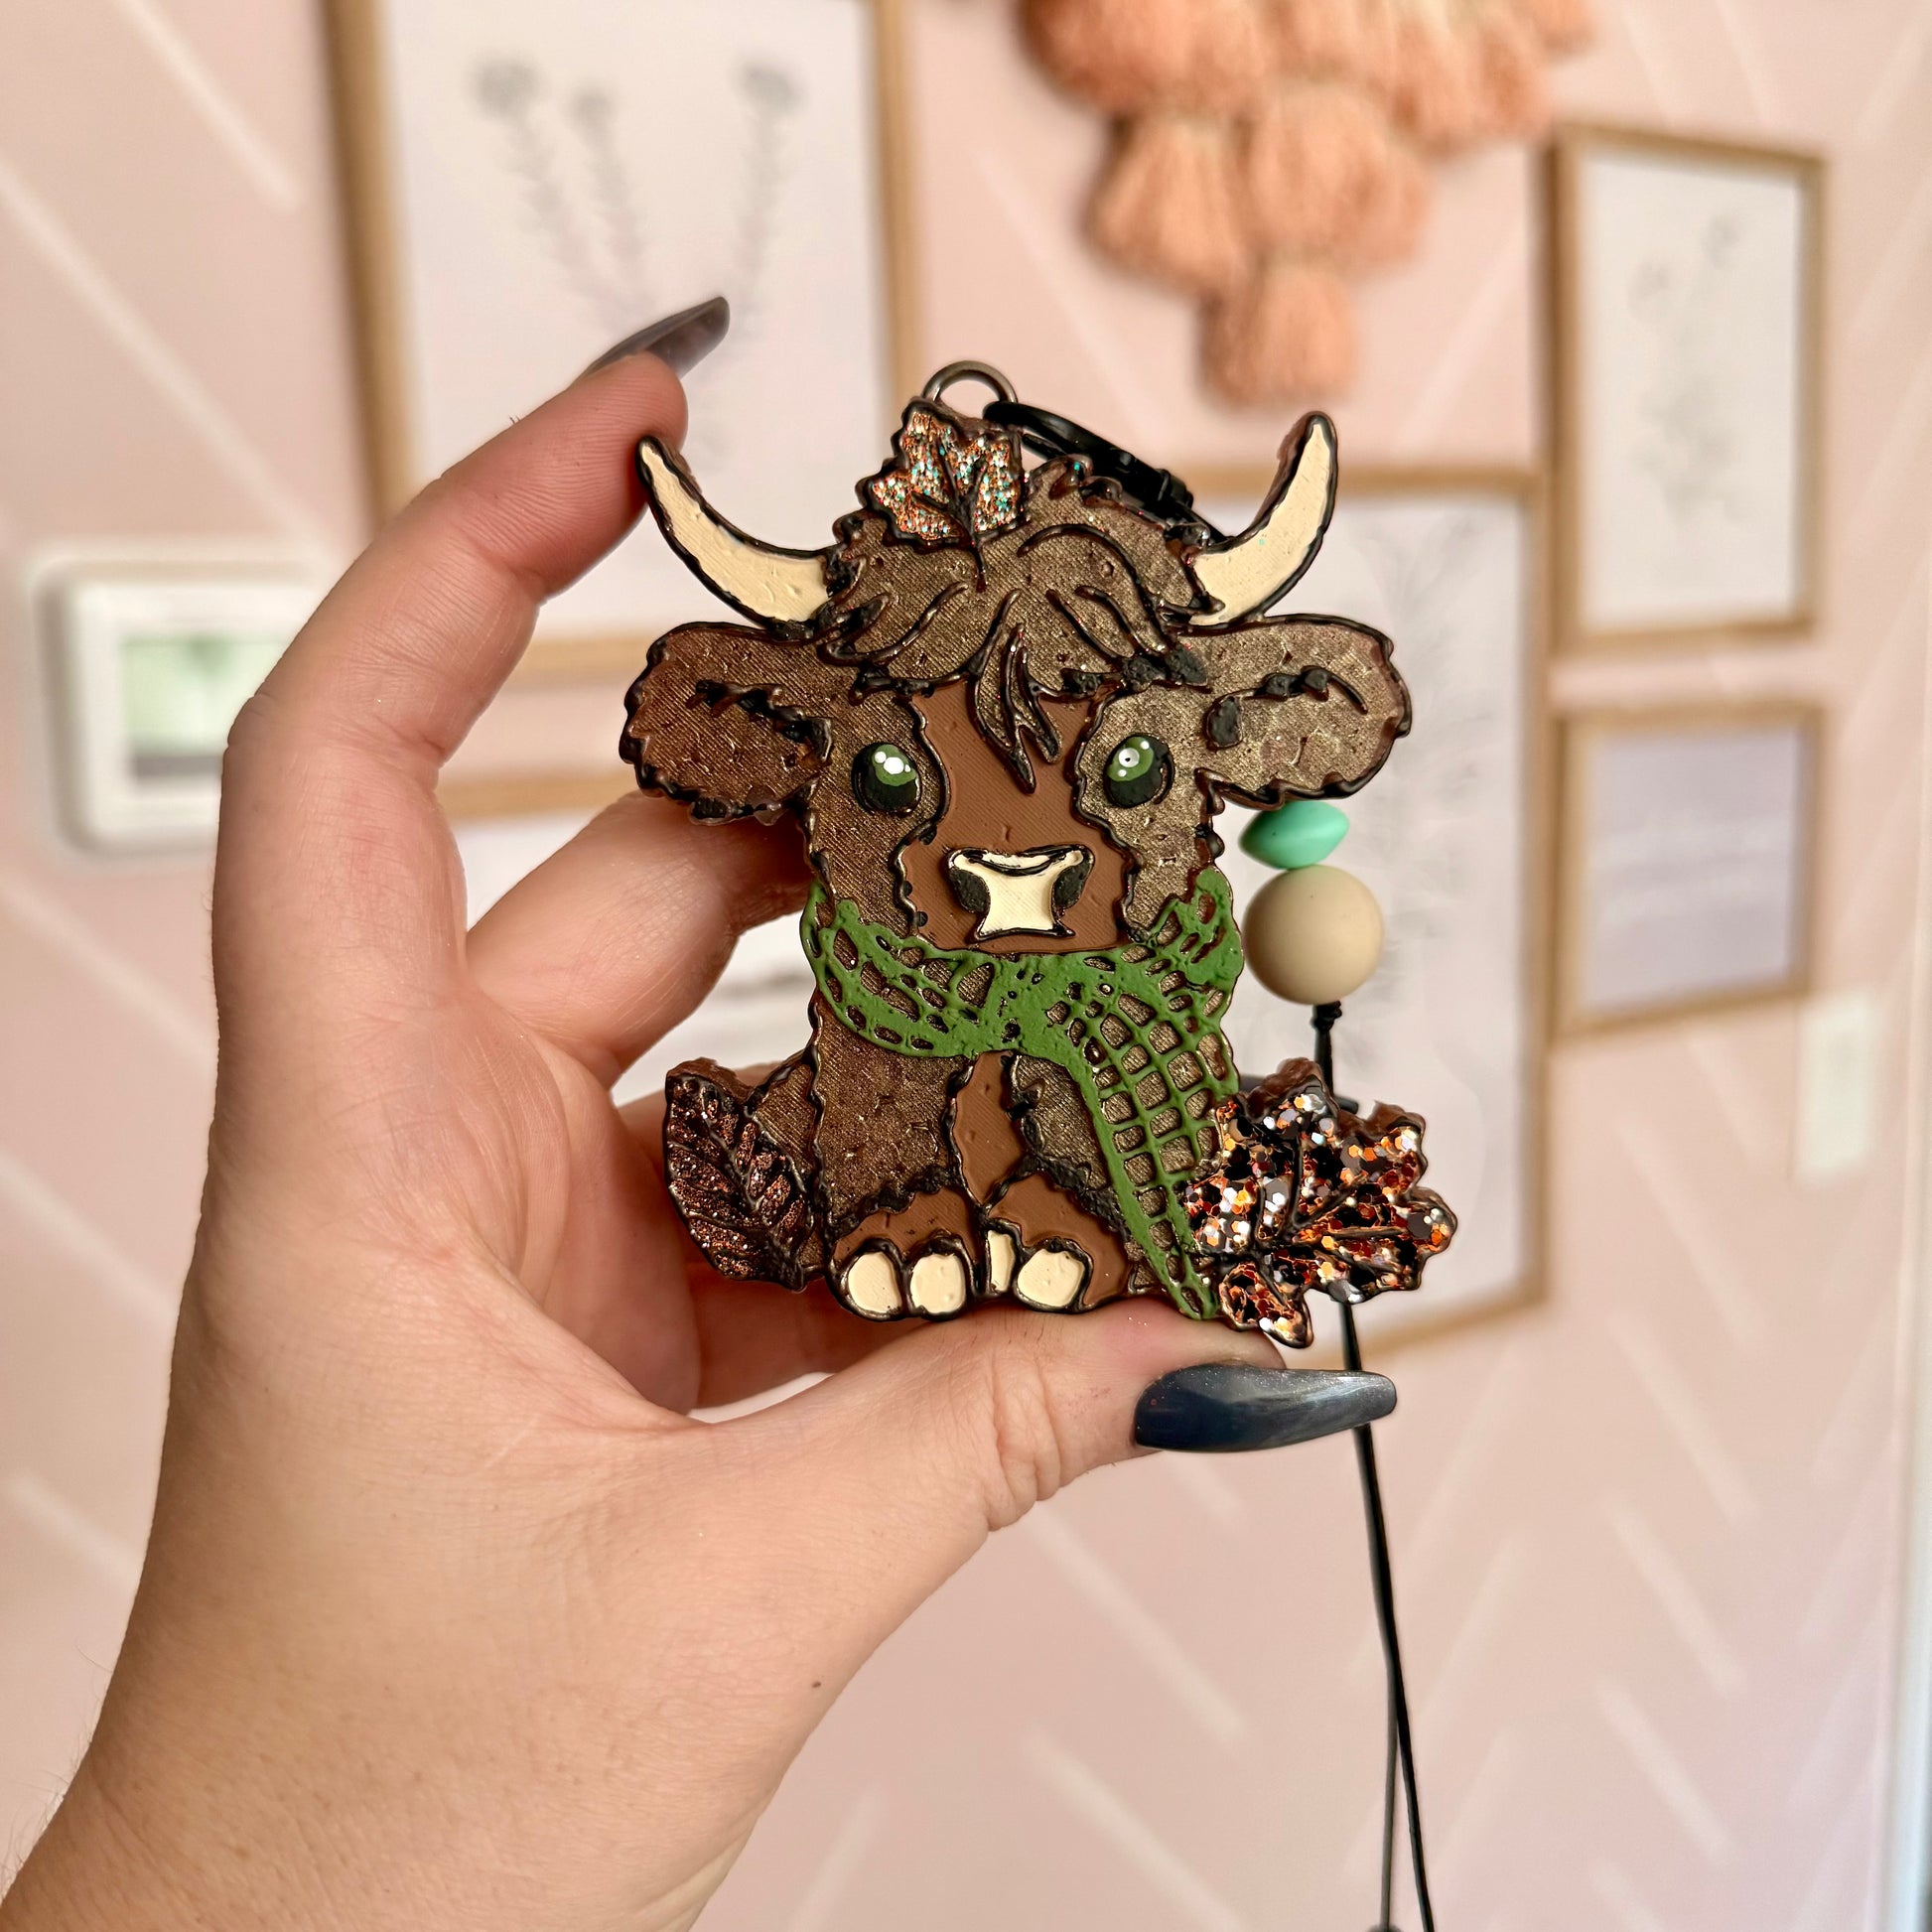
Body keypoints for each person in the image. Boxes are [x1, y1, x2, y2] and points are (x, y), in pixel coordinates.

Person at [0, 300, 1390, 1932]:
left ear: (1260, 724)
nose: (1014, 849)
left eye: (1130, 772)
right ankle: (889, 1198)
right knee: (865, 1112)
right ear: (776, 738)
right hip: (874, 1123)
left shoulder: (1155, 1020)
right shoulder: (877, 995)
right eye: (890, 778)